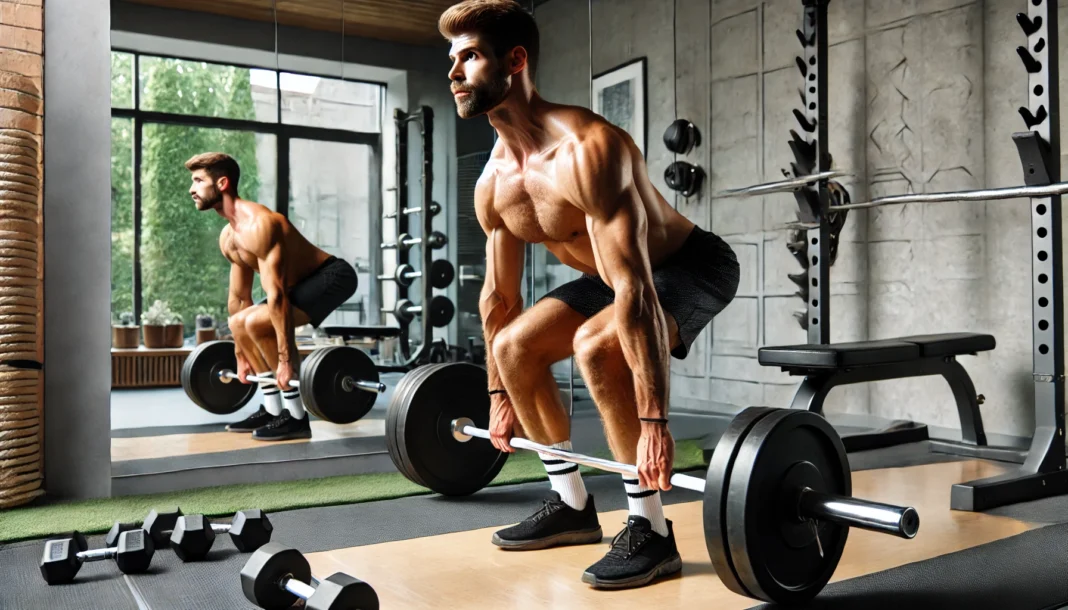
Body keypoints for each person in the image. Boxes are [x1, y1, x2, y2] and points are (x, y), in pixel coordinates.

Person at [438, 0, 740, 591]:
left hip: (688, 265)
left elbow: (635, 287)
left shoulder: (589, 149)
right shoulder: (493, 183)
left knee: (594, 347)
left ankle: (651, 530)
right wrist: (500, 391)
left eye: (469, 56)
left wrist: (654, 420)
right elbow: (498, 298)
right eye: (451, 59)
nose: (453, 73)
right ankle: (572, 506)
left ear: (515, 60)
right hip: (614, 276)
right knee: (514, 346)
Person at [185, 152, 358, 441]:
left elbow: (276, 297)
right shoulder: (229, 237)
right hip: (299, 285)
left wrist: (286, 360)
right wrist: (240, 354)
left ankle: (296, 417)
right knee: (242, 322)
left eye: (199, 181)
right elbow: (238, 299)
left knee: (255, 323)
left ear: (223, 183)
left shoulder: (260, 225)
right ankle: (273, 409)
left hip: (333, 276)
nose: (192, 189)